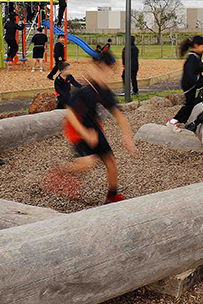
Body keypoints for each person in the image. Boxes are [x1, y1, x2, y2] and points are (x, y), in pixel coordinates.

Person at [46, 51, 136, 203]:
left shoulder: (104, 91)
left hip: (93, 127)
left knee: (111, 162)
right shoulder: (84, 91)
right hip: (77, 129)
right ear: (93, 68)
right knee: (89, 161)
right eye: (98, 69)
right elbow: (71, 116)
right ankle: (61, 171)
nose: (101, 74)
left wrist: (128, 137)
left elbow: (119, 115)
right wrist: (86, 134)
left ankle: (112, 195)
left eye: (105, 70)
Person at [169, 36, 203, 129]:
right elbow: (190, 73)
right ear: (196, 46)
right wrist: (199, 80)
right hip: (189, 84)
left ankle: (178, 120)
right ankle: (173, 121)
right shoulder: (192, 58)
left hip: (192, 82)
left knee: (191, 103)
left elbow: (199, 67)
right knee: (189, 105)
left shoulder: (195, 56)